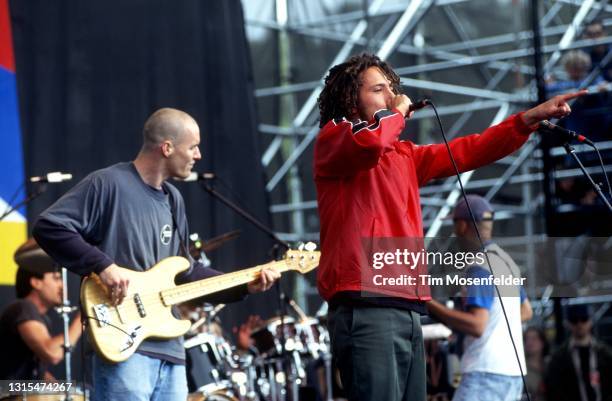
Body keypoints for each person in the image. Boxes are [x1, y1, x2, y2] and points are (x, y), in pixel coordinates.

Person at [313, 53, 583, 401]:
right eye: (379, 90)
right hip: (365, 304)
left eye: (392, 90)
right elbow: (372, 142)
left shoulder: (404, 155)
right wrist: (397, 111)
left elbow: (469, 151)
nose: (391, 97)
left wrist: (525, 121)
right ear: (350, 99)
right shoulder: (335, 139)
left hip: (407, 305)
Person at [32, 108, 280, 401]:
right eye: (193, 147)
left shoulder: (174, 199)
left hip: (171, 351)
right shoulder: (107, 183)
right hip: (123, 346)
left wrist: (243, 284)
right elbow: (49, 226)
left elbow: (186, 271)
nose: (198, 155)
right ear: (167, 148)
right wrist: (104, 266)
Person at [426, 195, 533, 401]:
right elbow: (525, 311)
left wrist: (427, 303)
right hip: (513, 374)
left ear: (462, 226)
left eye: (454, 224)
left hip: (485, 373)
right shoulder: (505, 261)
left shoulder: (479, 268)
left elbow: (477, 325)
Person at [0, 239, 82, 380]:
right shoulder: (23, 308)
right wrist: (83, 317)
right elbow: (53, 353)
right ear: (36, 282)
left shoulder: (42, 318)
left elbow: (36, 372)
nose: (62, 285)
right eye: (56, 278)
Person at [545, 304, 612, 401]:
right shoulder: (559, 357)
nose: (579, 324)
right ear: (568, 323)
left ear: (590, 321)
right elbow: (554, 388)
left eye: (584, 319)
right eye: (574, 320)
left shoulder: (605, 353)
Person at [523, 327, 550, 401]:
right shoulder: (521, 369)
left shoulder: (550, 365)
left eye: (534, 338)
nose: (529, 342)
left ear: (542, 342)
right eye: (527, 339)